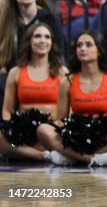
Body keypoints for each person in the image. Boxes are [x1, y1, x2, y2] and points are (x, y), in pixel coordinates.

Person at [37, 31, 107, 166]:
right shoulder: (67, 82)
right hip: (77, 137)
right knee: (43, 130)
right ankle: (92, 160)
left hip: (104, 137)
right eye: (79, 45)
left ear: (99, 51)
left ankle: (71, 157)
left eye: (88, 45)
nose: (82, 48)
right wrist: (66, 133)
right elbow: (60, 118)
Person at [0, 23, 67, 161]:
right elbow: (7, 110)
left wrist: (58, 125)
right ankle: (43, 156)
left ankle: (28, 152)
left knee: (47, 134)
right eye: (37, 36)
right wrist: (10, 129)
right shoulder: (16, 72)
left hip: (51, 129)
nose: (42, 40)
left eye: (47, 37)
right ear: (29, 41)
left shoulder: (62, 72)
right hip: (23, 130)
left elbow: (69, 109)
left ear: (52, 43)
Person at [0, 0, 64, 75]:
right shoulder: (6, 20)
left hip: (44, 73)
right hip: (12, 74)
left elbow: (59, 51)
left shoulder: (49, 18)